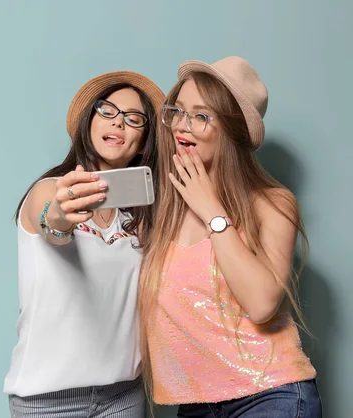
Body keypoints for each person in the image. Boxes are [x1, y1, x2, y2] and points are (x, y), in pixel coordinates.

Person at [138, 56, 322, 417]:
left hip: (270, 394)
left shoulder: (272, 204)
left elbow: (261, 303)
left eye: (202, 116)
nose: (182, 126)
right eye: (179, 111)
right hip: (196, 405)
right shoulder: (162, 208)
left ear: (232, 133)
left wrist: (213, 213)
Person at [4, 71, 165, 417]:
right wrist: (62, 213)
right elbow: (51, 224)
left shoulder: (141, 218)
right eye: (107, 110)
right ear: (88, 120)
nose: (118, 123)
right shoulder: (49, 190)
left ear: (145, 138)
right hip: (46, 403)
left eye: (134, 119)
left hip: (124, 398)